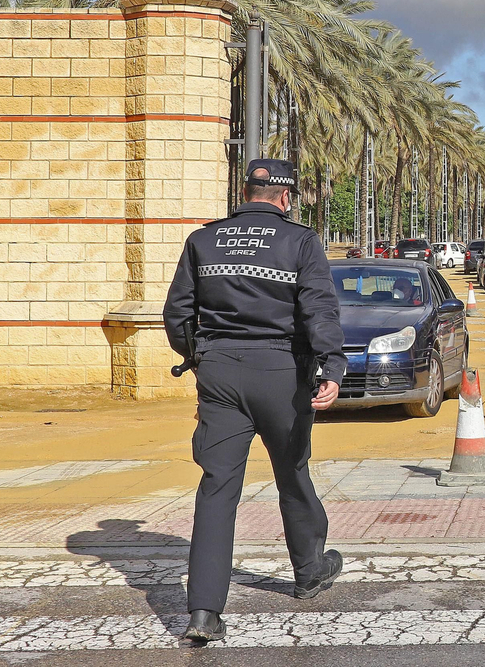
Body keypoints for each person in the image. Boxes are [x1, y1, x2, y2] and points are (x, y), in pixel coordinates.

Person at [163, 159, 346, 645]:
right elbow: (318, 309)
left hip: (220, 374)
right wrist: (330, 365)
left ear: (246, 191)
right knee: (292, 471)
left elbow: (177, 312)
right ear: (286, 198)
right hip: (281, 374)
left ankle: (204, 611)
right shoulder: (301, 242)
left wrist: (199, 357)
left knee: (217, 487)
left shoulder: (204, 240)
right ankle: (309, 570)